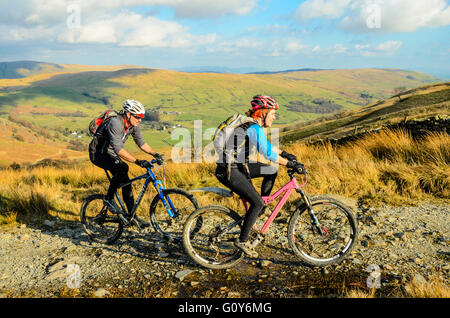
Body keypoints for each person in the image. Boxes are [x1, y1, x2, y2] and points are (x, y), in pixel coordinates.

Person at [215, 95, 304, 257]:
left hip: (237, 165)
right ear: (262, 112)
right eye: (272, 113)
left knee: (271, 171)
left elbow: (267, 146)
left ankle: (262, 205)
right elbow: (267, 153)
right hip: (229, 169)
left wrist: (285, 154)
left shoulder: (253, 126)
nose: (275, 117)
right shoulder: (252, 127)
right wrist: (290, 164)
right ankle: (242, 241)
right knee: (256, 203)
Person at [89, 99, 164, 227]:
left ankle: (132, 217)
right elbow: (118, 149)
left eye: (142, 117)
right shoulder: (115, 123)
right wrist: (138, 161)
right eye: (138, 117)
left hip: (111, 153)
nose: (140, 120)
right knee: (123, 168)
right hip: (98, 153)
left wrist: (155, 154)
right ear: (128, 114)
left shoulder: (133, 125)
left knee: (126, 183)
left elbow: (141, 143)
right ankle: (109, 199)